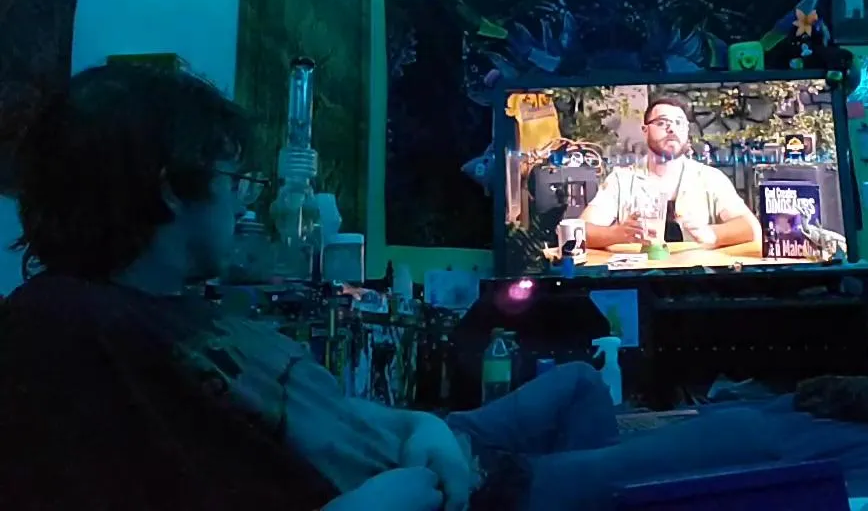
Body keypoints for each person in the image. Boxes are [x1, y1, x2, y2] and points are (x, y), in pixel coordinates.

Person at [0, 65, 816, 510]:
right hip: (447, 489)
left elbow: (750, 235)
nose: (245, 199)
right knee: (753, 433)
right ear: (171, 190)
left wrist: (414, 425)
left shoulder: (177, 306)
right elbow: (582, 236)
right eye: (231, 178)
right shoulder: (72, 331)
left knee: (574, 384)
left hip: (430, 446)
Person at [579, 97, 762, 250]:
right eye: (662, 123)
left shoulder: (710, 178)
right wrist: (618, 234)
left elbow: (751, 228)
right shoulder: (621, 180)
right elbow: (581, 231)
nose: (672, 129)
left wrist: (712, 234)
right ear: (645, 130)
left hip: (698, 277)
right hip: (638, 275)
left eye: (679, 123)